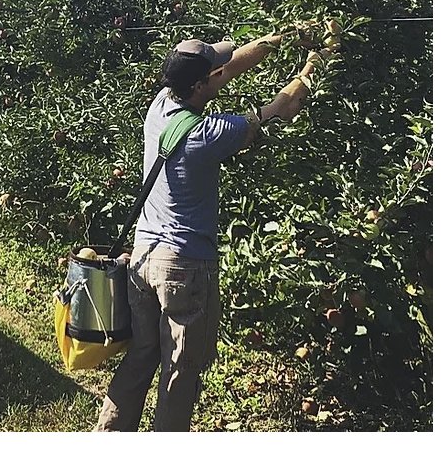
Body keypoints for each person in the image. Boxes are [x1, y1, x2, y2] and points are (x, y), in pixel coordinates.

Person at [96, 29, 329, 431]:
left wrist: (282, 36)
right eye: (214, 71)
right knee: (180, 372)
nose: (223, 70)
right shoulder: (210, 133)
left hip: (143, 260)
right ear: (202, 83)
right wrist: (318, 59)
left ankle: (110, 433)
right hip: (183, 268)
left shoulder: (160, 105)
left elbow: (228, 66)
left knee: (142, 357)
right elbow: (284, 106)